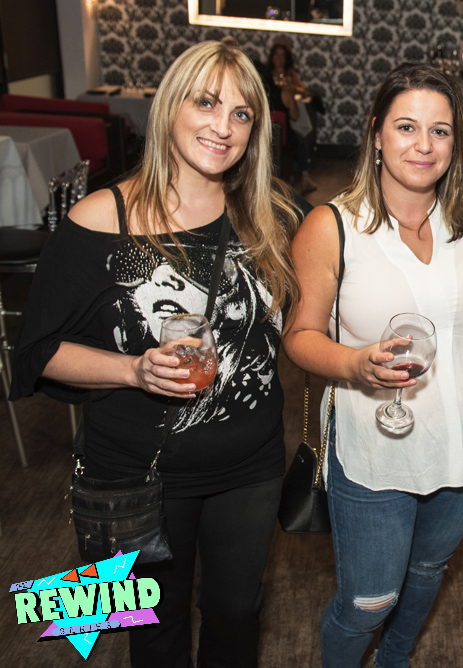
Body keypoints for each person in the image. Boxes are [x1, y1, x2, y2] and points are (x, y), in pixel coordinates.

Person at [9, 41, 301, 667]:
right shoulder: (101, 219)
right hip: (140, 474)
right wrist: (133, 369)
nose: (224, 127)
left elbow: (334, 280)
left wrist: (447, 205)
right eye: (207, 103)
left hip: (250, 466)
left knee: (237, 616)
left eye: (242, 113)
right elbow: (35, 352)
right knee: (156, 633)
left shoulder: (272, 217)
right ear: (170, 107)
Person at [282, 63, 463, 668]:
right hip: (376, 450)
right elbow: (299, 337)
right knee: (369, 601)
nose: (424, 144)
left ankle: (396, 660)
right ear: (376, 134)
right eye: (406, 126)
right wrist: (355, 363)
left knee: (429, 571)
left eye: (440, 130)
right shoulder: (331, 226)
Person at [264, 41, 317, 193]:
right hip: (276, 129)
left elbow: (303, 90)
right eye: (276, 55)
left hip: (270, 128)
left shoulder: (290, 75)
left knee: (298, 138)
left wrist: (292, 88)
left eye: (282, 55)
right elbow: (295, 116)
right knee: (297, 139)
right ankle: (305, 177)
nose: (279, 58)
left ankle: (303, 176)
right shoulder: (270, 78)